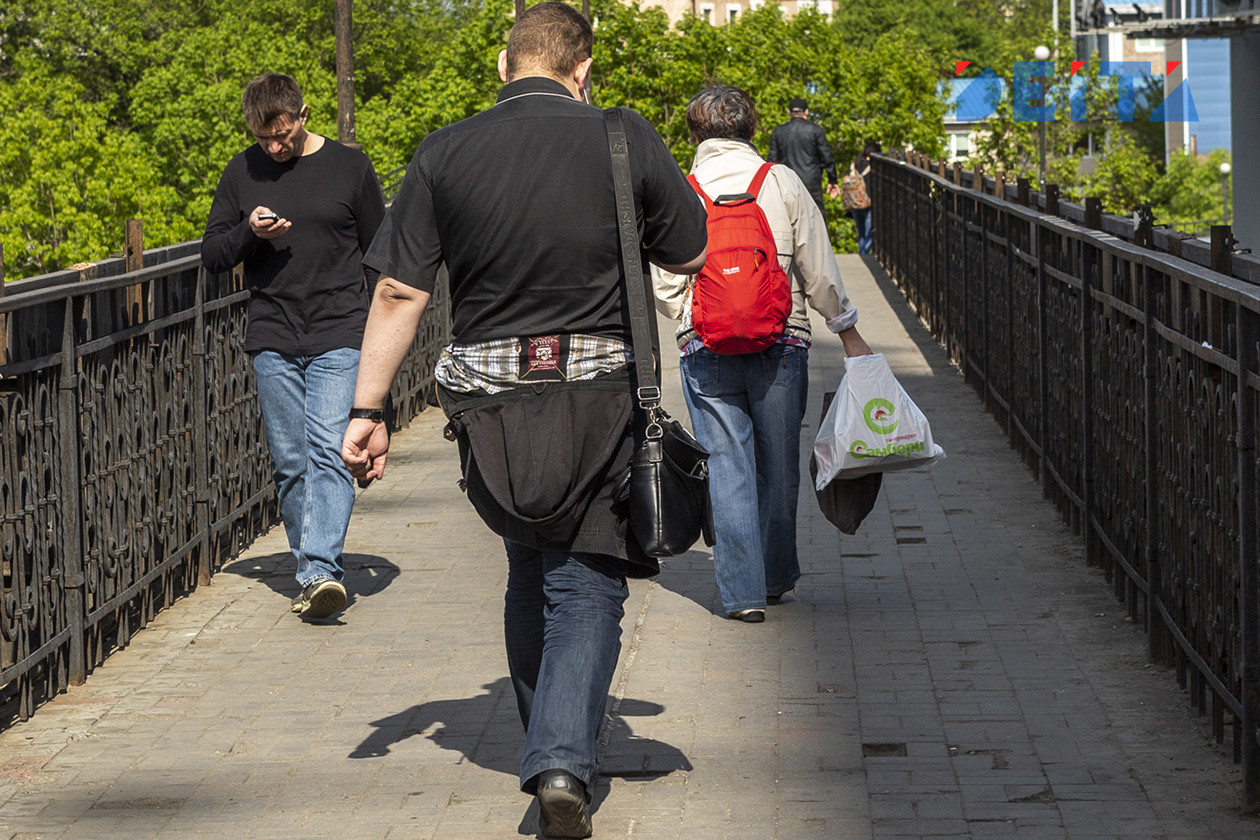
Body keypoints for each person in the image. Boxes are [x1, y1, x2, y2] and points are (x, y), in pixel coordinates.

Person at [339, 4, 706, 837]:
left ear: (504, 68)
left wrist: (368, 409)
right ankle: (562, 763)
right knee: (586, 579)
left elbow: (398, 290)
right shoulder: (621, 135)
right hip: (600, 397)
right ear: (584, 70)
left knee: (529, 566)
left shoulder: (445, 150)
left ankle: (551, 745)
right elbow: (688, 251)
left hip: (489, 409)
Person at [655, 85, 873, 623]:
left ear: (695, 133)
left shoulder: (681, 189)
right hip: (782, 342)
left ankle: (743, 594)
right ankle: (775, 577)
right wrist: (847, 332)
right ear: (752, 128)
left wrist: (690, 318)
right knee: (778, 465)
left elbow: (663, 280)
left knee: (726, 467)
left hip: (705, 346)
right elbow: (818, 269)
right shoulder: (781, 181)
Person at [201, 73, 386, 621]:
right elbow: (213, 255)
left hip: (340, 333)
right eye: (263, 139)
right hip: (273, 337)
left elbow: (381, 258)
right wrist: (248, 233)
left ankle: (319, 572)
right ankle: (314, 572)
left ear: (304, 115)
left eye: (282, 135)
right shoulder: (241, 171)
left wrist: (380, 368)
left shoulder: (350, 167)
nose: (274, 148)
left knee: (329, 451)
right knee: (290, 464)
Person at [767, 96, 840, 214]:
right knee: (816, 218)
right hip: (811, 184)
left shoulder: (778, 132)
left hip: (787, 184)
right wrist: (832, 180)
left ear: (789, 112)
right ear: (806, 111)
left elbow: (771, 161)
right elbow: (827, 158)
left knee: (789, 219)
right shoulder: (816, 130)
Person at [849, 142, 879, 255]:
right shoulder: (873, 166)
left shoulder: (854, 165)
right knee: (869, 234)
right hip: (867, 204)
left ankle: (862, 252)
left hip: (854, 204)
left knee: (861, 233)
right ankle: (864, 254)